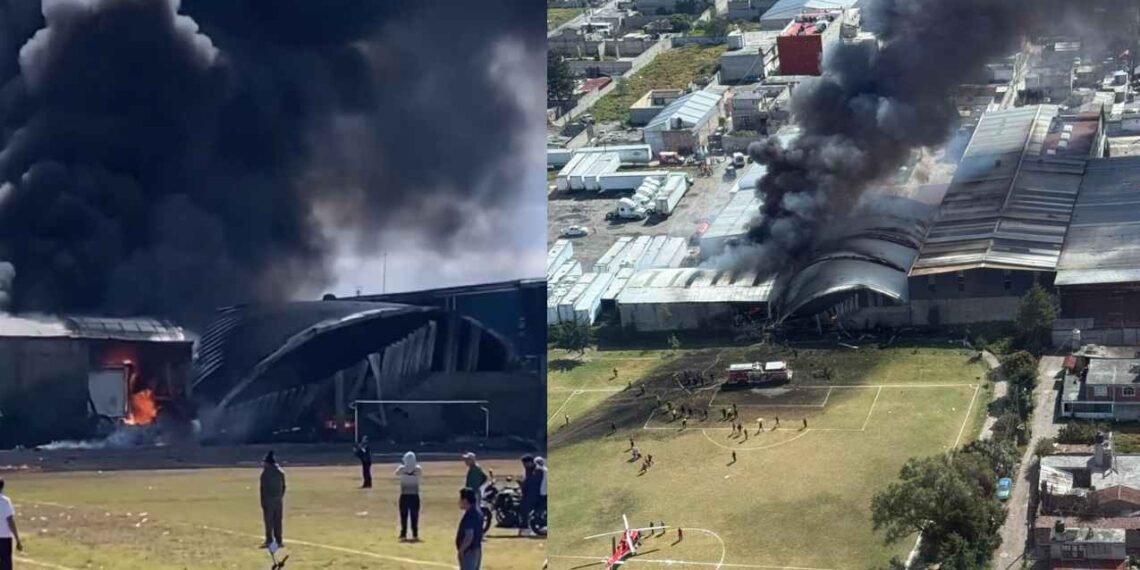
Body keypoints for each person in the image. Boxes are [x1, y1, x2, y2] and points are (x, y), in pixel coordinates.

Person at [259, 451, 286, 548]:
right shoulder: (280, 472)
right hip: (278, 500)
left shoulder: (265, 473)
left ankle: (269, 540)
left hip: (268, 500)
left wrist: (263, 501)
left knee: (269, 521)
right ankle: (279, 540)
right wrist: (280, 497)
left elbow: (263, 488)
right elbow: (284, 487)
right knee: (278, 521)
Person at [395, 451, 423, 541]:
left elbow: (396, 473)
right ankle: (415, 534)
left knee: (404, 515)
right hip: (415, 495)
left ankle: (403, 533)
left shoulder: (401, 469)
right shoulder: (418, 469)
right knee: (415, 515)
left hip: (404, 495)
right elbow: (420, 473)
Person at [456, 488, 484, 570]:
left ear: (465, 500)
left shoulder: (470, 515)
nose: (459, 502)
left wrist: (461, 550)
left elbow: (469, 536)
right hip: (477, 549)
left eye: (460, 499)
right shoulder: (478, 512)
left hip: (469, 552)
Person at [0, 479, 23, 570]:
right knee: (6, 564)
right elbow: (10, 521)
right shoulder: (5, 501)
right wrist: (17, 539)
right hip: (4, 537)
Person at [519, 455, 543, 537]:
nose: (524, 465)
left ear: (530, 462)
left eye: (525, 463)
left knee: (524, 509)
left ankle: (525, 528)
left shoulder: (537, 470)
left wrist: (523, 484)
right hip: (528, 493)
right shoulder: (529, 469)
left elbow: (532, 482)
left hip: (534, 494)